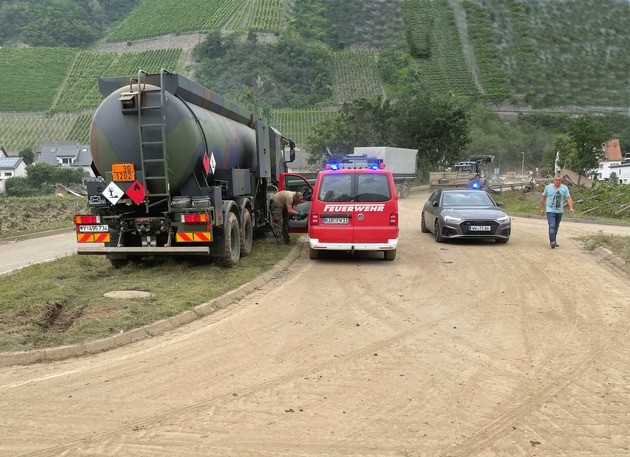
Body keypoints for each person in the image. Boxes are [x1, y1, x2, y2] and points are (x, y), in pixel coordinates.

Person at [540, 176, 574, 249]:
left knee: (556, 226)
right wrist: (542, 209)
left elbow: (568, 198)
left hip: (559, 211)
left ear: (561, 181)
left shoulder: (564, 188)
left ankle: (554, 241)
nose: (558, 181)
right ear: (554, 180)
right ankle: (552, 241)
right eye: (556, 180)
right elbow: (543, 198)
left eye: (559, 180)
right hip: (550, 210)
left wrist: (571, 207)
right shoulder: (548, 188)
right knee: (552, 225)